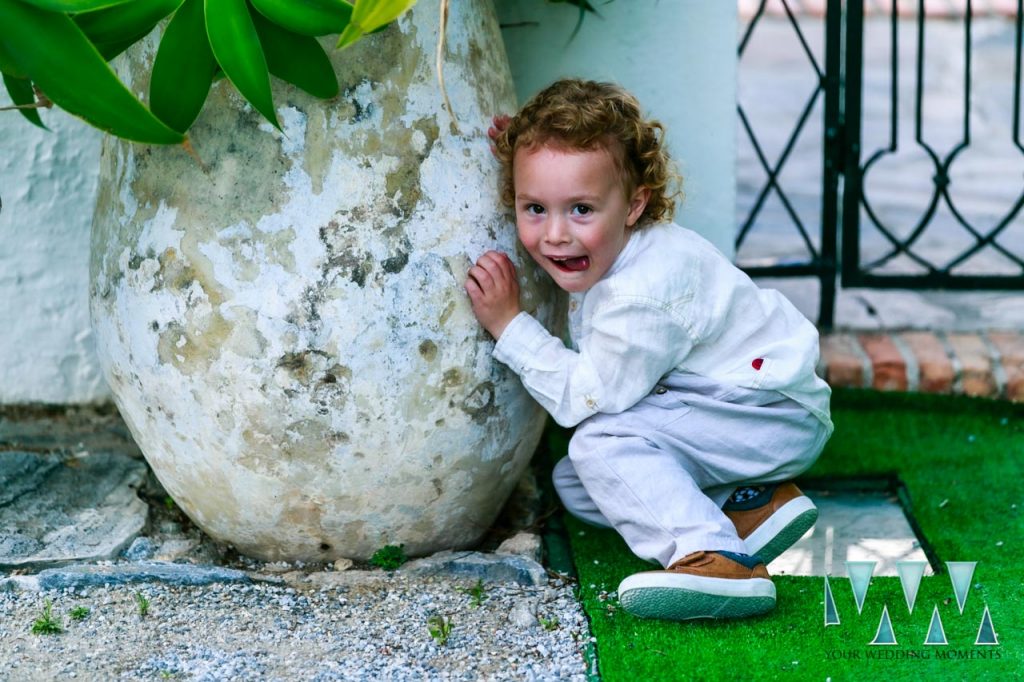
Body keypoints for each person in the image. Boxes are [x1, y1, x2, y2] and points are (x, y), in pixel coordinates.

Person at [464, 79, 833, 621]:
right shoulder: (617, 255)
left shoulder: (642, 291)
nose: (555, 234)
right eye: (535, 206)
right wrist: (522, 144)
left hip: (766, 413)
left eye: (582, 209)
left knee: (597, 446)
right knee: (580, 484)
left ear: (635, 205)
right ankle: (751, 508)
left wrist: (509, 325)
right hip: (725, 404)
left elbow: (583, 398)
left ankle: (718, 557)